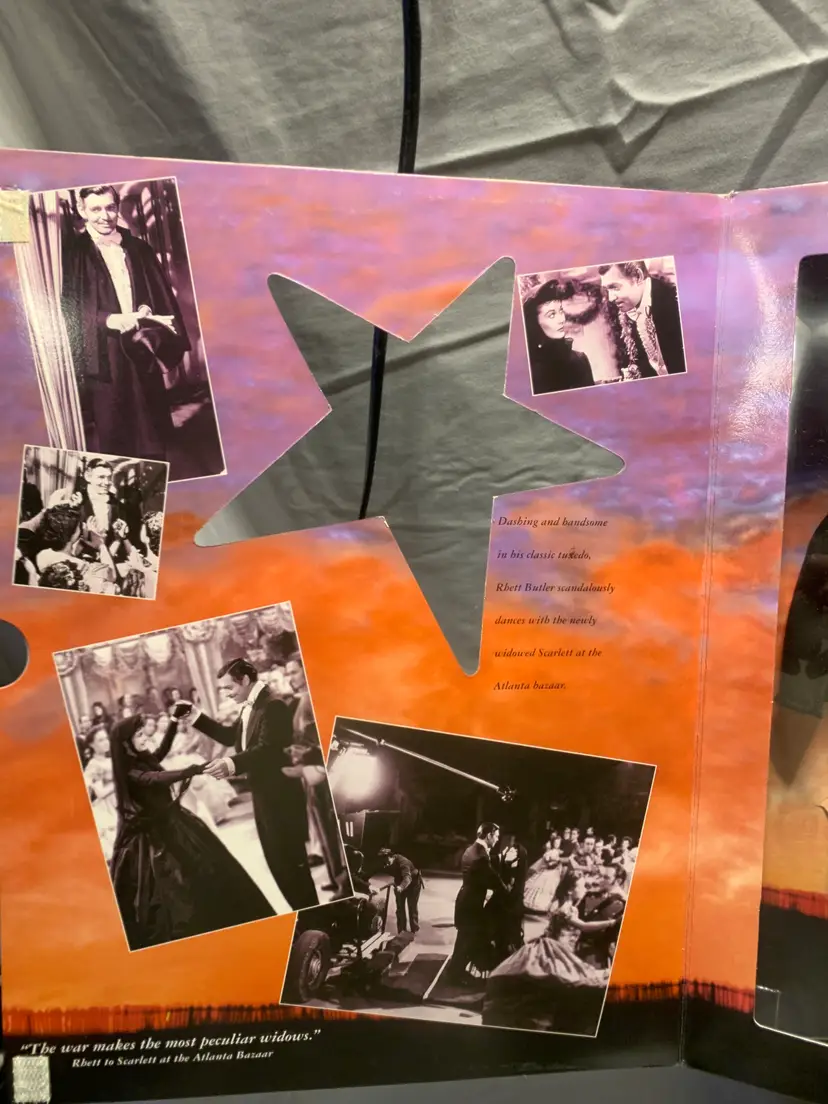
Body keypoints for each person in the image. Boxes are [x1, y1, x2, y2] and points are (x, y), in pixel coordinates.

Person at [109, 713, 274, 949]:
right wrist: (192, 770)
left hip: (174, 823)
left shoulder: (143, 759)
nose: (145, 737)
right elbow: (155, 778)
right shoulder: (131, 772)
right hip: (153, 836)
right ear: (126, 743)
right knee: (175, 892)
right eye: (139, 735)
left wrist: (174, 722)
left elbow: (162, 751)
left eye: (143, 733)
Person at [61, 184, 189, 461]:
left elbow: (156, 291)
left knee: (151, 424)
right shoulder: (74, 254)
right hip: (104, 351)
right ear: (82, 211)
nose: (104, 216)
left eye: (110, 207)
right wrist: (110, 319)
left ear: (117, 207)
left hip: (142, 345)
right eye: (95, 209)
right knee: (114, 427)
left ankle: (157, 474)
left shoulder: (139, 248)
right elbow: (69, 307)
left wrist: (145, 309)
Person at [179, 658, 320, 910]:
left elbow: (268, 750)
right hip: (264, 795)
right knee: (280, 867)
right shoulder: (250, 705)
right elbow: (229, 736)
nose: (226, 693)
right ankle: (305, 915)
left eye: (228, 687)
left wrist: (230, 764)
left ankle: (314, 916)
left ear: (244, 680)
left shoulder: (273, 705)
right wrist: (195, 717)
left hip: (280, 798)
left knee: (290, 868)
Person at [481, 872, 616, 1033]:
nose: (584, 889)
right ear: (570, 890)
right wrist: (611, 922)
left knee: (552, 979)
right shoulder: (566, 908)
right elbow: (583, 927)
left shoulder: (561, 903)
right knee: (561, 978)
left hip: (556, 947)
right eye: (581, 886)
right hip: (557, 949)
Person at [599, 261, 686, 379]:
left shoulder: (677, 303)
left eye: (615, 287)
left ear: (638, 276)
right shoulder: (625, 313)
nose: (610, 298)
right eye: (607, 290)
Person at [446, 822, 508, 984]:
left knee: (465, 939)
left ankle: (457, 972)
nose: (497, 840)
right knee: (466, 941)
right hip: (471, 905)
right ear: (489, 835)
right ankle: (455, 976)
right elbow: (492, 878)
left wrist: (498, 858)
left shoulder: (471, 849)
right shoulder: (481, 856)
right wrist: (506, 889)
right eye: (496, 836)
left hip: (466, 900)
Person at [523, 280, 594, 394]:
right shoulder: (526, 368)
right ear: (534, 322)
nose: (561, 319)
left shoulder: (579, 361)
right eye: (552, 315)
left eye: (561, 311)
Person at [83, 727, 118, 862]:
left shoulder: (109, 760)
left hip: (119, 800)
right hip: (108, 806)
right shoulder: (94, 765)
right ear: (92, 745)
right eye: (100, 740)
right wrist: (119, 782)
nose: (106, 742)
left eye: (106, 738)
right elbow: (100, 793)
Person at [378, 848, 424, 934]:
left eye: (387, 860)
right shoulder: (387, 863)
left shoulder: (403, 862)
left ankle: (414, 930)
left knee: (412, 906)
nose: (386, 863)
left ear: (392, 857)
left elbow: (407, 878)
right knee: (400, 908)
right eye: (383, 860)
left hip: (413, 883)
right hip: (399, 882)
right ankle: (401, 930)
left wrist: (401, 887)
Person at [523, 833, 564, 913]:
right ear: (553, 843)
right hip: (548, 871)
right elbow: (547, 862)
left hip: (555, 873)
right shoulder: (550, 852)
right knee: (540, 886)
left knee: (551, 889)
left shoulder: (560, 852)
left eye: (558, 843)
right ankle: (534, 905)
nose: (557, 844)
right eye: (556, 843)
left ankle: (545, 906)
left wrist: (558, 862)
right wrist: (554, 862)